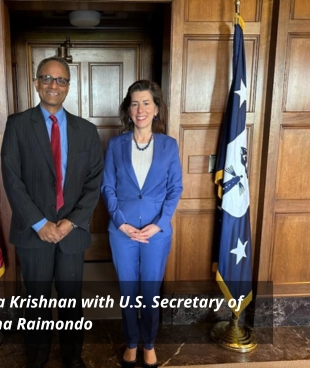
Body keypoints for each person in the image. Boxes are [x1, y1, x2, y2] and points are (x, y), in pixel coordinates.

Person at [1, 56, 104, 368]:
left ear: (69, 86)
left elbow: (94, 182)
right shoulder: (18, 124)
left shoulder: (86, 130)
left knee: (72, 301)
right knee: (36, 301)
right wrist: (38, 222)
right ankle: (37, 358)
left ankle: (73, 358)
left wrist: (70, 222)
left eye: (60, 80)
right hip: (34, 234)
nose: (53, 85)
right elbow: (12, 178)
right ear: (36, 83)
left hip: (71, 232)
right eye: (46, 78)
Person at [101, 80, 183, 368]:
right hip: (122, 233)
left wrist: (160, 224)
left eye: (147, 103)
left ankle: (149, 344)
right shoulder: (115, 144)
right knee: (127, 292)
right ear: (128, 109)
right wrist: (121, 223)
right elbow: (108, 188)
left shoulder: (169, 146)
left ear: (157, 109)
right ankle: (131, 342)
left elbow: (175, 189)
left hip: (156, 234)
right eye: (135, 103)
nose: (140, 109)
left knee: (149, 291)